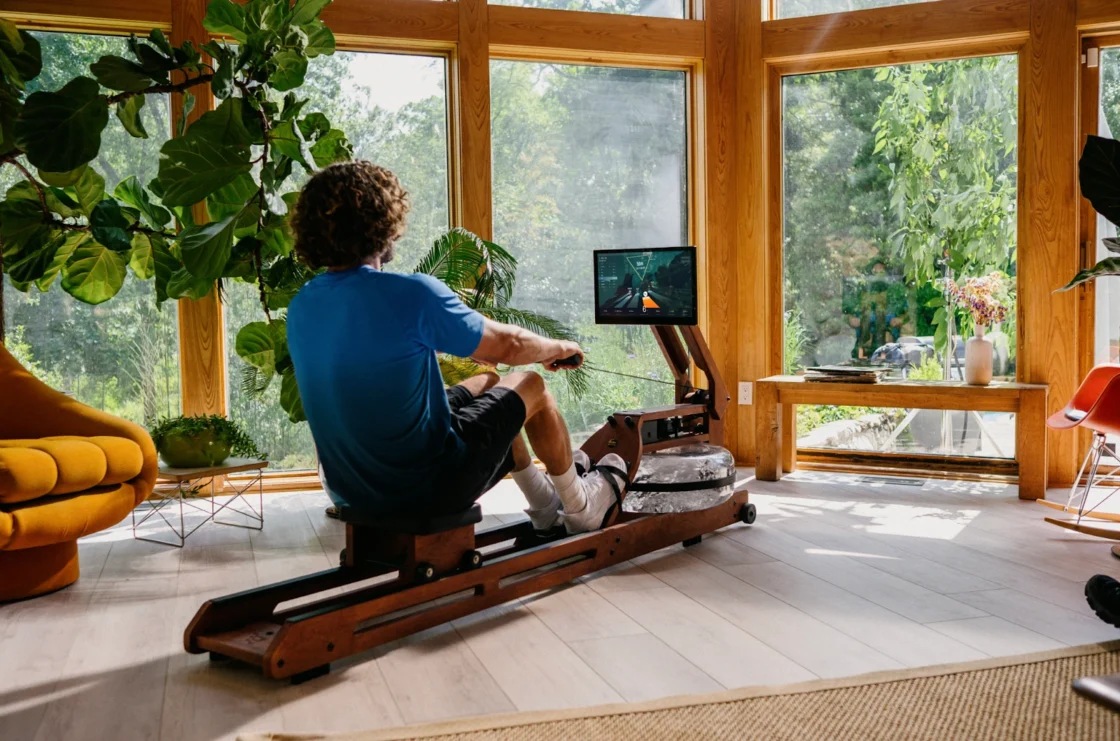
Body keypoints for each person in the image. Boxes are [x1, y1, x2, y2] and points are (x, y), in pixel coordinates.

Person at [285, 161, 627, 535]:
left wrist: (458, 346)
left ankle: (544, 505)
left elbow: (373, 359)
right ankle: (581, 506)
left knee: (489, 381)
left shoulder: (303, 304)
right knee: (531, 385)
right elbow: (511, 345)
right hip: (428, 486)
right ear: (384, 222)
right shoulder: (409, 293)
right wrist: (558, 347)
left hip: (350, 492)